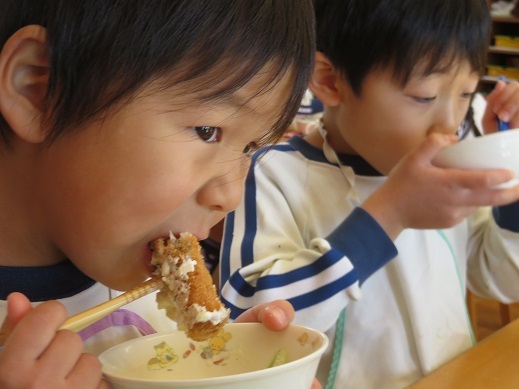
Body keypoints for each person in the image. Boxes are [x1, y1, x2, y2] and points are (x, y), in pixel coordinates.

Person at [0, 0, 316, 387]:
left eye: (251, 148)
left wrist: (229, 372)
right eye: (207, 131)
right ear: (39, 89)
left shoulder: (126, 271)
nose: (231, 196)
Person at [219, 0, 519, 388]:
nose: (449, 125)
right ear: (329, 80)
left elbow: (500, 279)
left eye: (465, 94)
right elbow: (248, 324)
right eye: (424, 97)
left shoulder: (448, 171)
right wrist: (388, 215)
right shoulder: (273, 173)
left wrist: (509, 183)